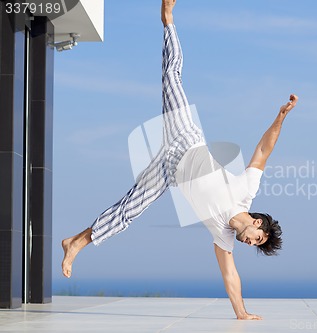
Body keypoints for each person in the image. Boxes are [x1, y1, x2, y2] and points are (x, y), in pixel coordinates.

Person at [61, 0, 298, 320]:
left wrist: (241, 313)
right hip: (186, 138)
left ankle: (76, 242)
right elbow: (263, 152)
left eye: (255, 244)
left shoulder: (223, 237)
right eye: (257, 239)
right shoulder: (246, 190)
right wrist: (280, 117)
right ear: (257, 223)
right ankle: (168, 20)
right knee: (172, 75)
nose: (250, 243)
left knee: (130, 210)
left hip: (168, 171)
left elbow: (230, 276)